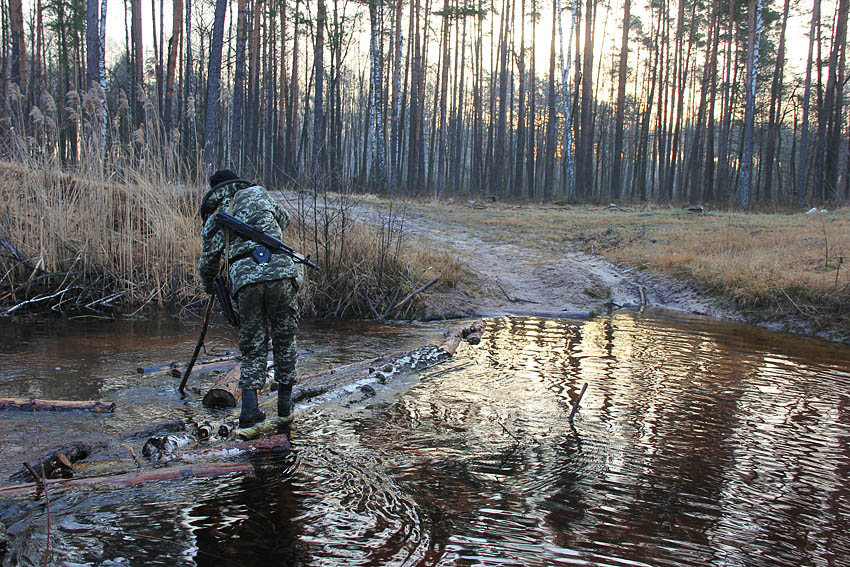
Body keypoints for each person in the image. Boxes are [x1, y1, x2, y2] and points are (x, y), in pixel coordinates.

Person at [198, 169, 302, 428]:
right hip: (281, 273)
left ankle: (250, 411)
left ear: (215, 190)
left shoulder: (215, 218)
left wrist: (210, 287)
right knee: (285, 340)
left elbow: (208, 262)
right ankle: (285, 406)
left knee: (253, 346)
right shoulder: (258, 194)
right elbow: (285, 219)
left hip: (245, 282)